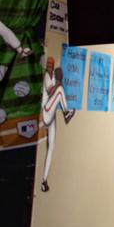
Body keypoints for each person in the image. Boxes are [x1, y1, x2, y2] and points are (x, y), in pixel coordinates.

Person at [40, 56, 76, 192]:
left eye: (51, 65)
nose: (50, 67)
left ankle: (44, 180)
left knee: (51, 147)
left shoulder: (53, 77)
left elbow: (56, 90)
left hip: (52, 115)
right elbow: (51, 91)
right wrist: (59, 82)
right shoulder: (46, 77)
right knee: (60, 91)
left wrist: (59, 79)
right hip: (45, 112)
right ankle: (66, 113)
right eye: (48, 65)